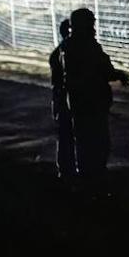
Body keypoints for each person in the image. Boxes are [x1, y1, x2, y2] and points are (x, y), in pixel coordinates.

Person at [59, 7, 129, 183]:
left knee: (88, 140)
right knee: (94, 140)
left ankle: (89, 174)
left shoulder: (71, 46)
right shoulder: (83, 46)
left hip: (83, 101)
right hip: (89, 101)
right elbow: (101, 69)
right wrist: (117, 75)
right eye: (90, 23)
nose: (93, 27)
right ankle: (92, 176)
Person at [48, 18, 75, 180]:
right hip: (66, 99)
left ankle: (65, 170)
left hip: (61, 99)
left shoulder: (59, 52)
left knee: (65, 135)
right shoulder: (66, 52)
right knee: (69, 135)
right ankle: (68, 170)